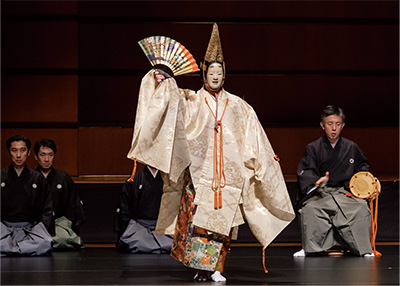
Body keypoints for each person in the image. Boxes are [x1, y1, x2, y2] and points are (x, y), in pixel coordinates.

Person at [127, 23, 295, 282]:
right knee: (197, 222)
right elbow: (170, 106)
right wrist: (162, 81)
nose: (215, 77)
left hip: (228, 176)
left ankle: (215, 266)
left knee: (222, 223)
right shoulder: (192, 99)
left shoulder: (239, 106)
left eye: (219, 73)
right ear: (203, 74)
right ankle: (200, 266)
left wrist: (260, 164)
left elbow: (254, 137)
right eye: (211, 72)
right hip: (199, 172)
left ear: (224, 75)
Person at [293, 105, 374, 257]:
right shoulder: (313, 147)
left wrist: (362, 182)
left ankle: (363, 249)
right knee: (310, 210)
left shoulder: (351, 147)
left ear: (343, 125)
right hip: (321, 193)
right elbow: (306, 170)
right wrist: (317, 181)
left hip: (345, 192)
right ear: (322, 125)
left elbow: (362, 167)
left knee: (361, 208)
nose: (334, 128)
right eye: (330, 124)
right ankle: (310, 248)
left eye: (337, 124)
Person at [1, 135, 53, 256]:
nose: (18, 155)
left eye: (22, 150)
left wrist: (41, 228)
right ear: (9, 152)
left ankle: (10, 249)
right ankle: (23, 249)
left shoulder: (37, 178)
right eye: (14, 150)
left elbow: (47, 208)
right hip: (4, 227)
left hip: (30, 228)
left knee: (46, 242)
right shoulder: (1, 176)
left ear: (29, 153)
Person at [34, 139, 85, 250]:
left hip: (58, 221)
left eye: (50, 155)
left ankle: (40, 244)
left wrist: (69, 221)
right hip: (36, 222)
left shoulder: (63, 177)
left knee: (63, 239)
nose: (46, 159)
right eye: (43, 155)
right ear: (36, 157)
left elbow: (73, 204)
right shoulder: (30, 177)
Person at [115, 165, 173, 253]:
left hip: (163, 227)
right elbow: (125, 207)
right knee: (134, 241)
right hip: (139, 226)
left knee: (173, 243)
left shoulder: (169, 180)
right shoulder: (134, 178)